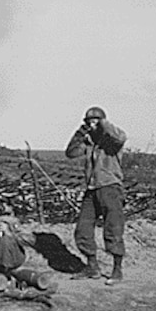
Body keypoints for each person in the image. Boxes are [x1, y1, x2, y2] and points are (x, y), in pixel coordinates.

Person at [65, 106, 127, 285]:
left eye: (95, 122)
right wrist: (80, 133)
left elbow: (121, 136)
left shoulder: (112, 141)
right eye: (88, 122)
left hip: (111, 188)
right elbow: (70, 153)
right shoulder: (88, 142)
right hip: (92, 190)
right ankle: (92, 267)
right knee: (83, 230)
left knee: (113, 230)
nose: (91, 125)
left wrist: (103, 125)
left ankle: (117, 270)